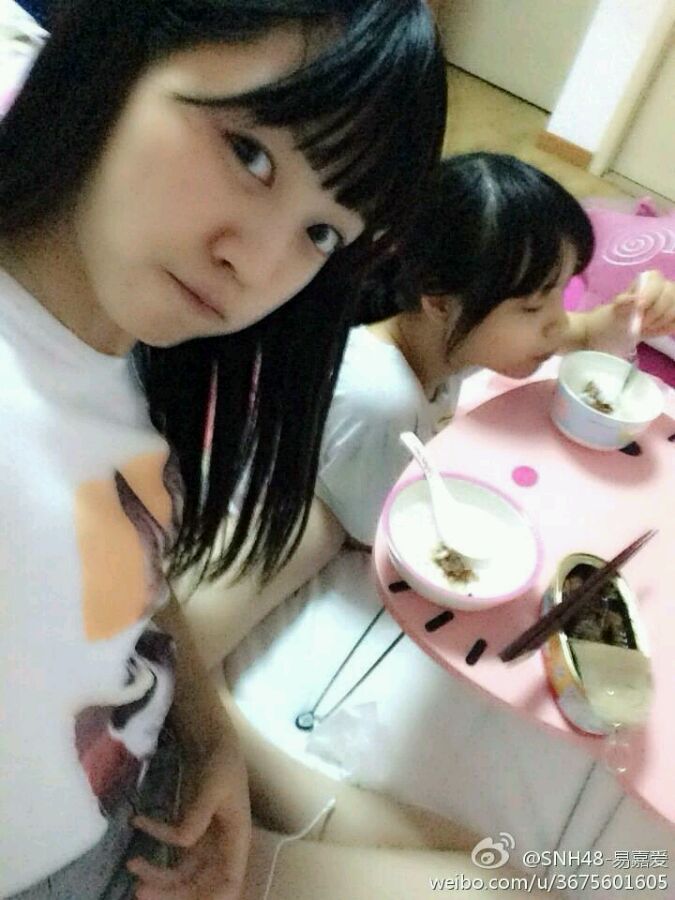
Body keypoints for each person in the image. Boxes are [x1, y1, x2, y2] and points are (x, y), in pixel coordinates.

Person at [0, 2, 448, 898]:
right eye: (250, 154)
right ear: (125, 48)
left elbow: (128, 572)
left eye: (322, 232)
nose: (259, 266)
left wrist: (210, 739)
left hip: (157, 758)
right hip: (111, 866)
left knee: (536, 866)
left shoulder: (121, 339)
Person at [185, 153, 675, 866]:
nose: (554, 326)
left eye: (560, 296)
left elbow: (542, 335)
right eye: (534, 307)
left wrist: (611, 320)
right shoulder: (381, 401)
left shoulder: (431, 345)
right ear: (440, 300)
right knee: (485, 855)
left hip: (232, 606)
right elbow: (199, 628)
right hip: (216, 624)